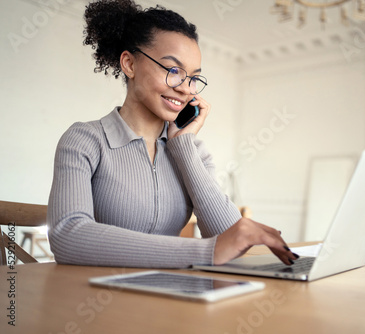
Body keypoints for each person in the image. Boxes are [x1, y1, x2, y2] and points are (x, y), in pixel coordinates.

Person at [47, 0, 299, 268]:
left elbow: (228, 240)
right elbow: (68, 237)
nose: (185, 88)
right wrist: (201, 252)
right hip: (95, 300)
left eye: (193, 78)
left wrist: (183, 148)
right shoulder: (85, 140)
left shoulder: (194, 152)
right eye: (173, 71)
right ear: (130, 64)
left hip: (170, 296)